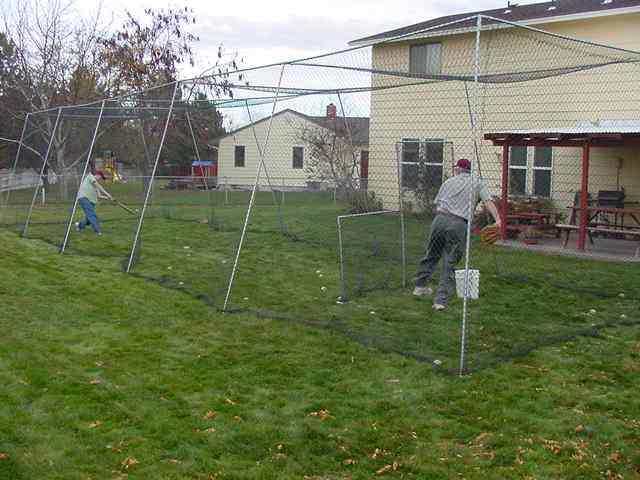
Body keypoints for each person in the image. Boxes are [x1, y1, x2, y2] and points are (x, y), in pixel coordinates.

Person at [413, 158, 501, 311]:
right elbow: (488, 202)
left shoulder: (448, 182)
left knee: (432, 254)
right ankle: (440, 302)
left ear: (458, 169)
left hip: (439, 220)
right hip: (459, 223)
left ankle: (419, 286)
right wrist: (498, 220)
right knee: (450, 261)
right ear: (469, 170)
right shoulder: (477, 182)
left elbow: (438, 203)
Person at [75, 164, 113, 236]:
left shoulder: (95, 184)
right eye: (100, 177)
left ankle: (79, 226)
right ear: (98, 175)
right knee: (92, 215)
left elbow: (99, 196)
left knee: (88, 218)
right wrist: (108, 194)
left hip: (92, 202)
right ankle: (98, 231)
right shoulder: (90, 177)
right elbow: (99, 186)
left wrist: (108, 198)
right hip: (84, 198)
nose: (100, 179)